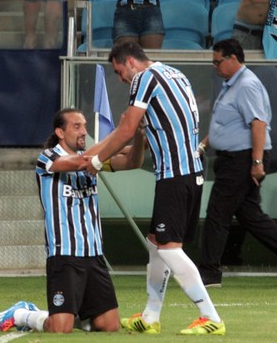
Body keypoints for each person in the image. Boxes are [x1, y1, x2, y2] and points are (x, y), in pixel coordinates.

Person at [84, 42, 226, 336]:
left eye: (119, 71)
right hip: (190, 173)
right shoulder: (175, 74)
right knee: (156, 243)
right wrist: (97, 156)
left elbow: (125, 129)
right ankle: (150, 316)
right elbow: (144, 133)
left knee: (169, 249)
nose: (121, 78)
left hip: (175, 174)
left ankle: (210, 316)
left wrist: (95, 161)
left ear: (131, 62)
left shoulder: (143, 78)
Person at [0, 108, 145, 333]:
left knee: (109, 326)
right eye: (76, 126)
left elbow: (132, 161)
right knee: (60, 329)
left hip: (94, 254)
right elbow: (81, 161)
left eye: (85, 126)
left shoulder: (92, 158)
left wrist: (139, 135)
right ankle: (23, 314)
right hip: (64, 255)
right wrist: (121, 131)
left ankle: (75, 315)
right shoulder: (48, 158)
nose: (83, 131)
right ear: (60, 132)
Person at [197, 39, 277, 288]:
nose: (215, 67)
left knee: (217, 214)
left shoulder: (247, 85)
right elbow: (225, 122)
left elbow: (259, 124)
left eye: (218, 62)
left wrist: (257, 162)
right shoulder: (232, 85)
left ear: (233, 59)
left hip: (241, 158)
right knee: (251, 216)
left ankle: (209, 272)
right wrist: (205, 145)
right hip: (236, 158)